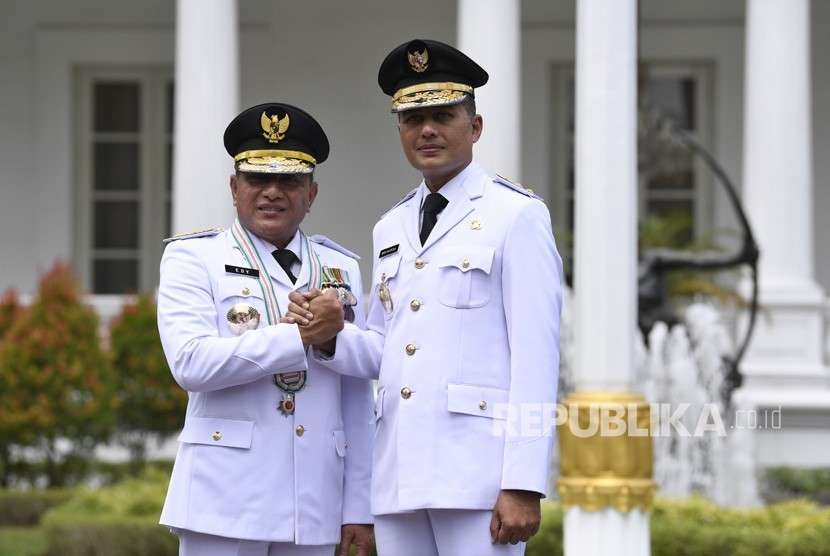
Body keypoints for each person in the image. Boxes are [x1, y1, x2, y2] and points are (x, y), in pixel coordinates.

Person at [285, 40, 563, 555]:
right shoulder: (390, 226)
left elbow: (537, 356)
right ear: (400, 131)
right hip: (401, 476)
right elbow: (383, 349)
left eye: (442, 115)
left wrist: (523, 482)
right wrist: (329, 337)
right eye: (412, 119)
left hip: (478, 477)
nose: (427, 130)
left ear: (474, 127)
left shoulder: (515, 215)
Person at [157, 102, 375, 556]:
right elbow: (191, 364)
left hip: (315, 497)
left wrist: (360, 506)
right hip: (224, 495)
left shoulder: (340, 267)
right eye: (258, 179)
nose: (273, 192)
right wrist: (298, 337)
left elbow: (359, 394)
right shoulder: (194, 259)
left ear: (311, 193)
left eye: (290, 180)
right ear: (235, 187)